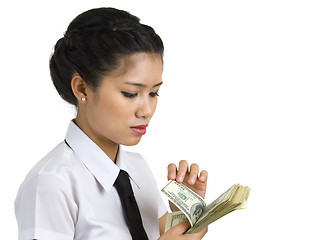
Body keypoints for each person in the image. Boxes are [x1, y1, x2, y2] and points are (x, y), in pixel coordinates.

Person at [14, 7, 208, 240]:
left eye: (154, 93)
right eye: (130, 93)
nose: (146, 111)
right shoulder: (50, 183)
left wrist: (186, 216)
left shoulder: (137, 169)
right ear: (82, 88)